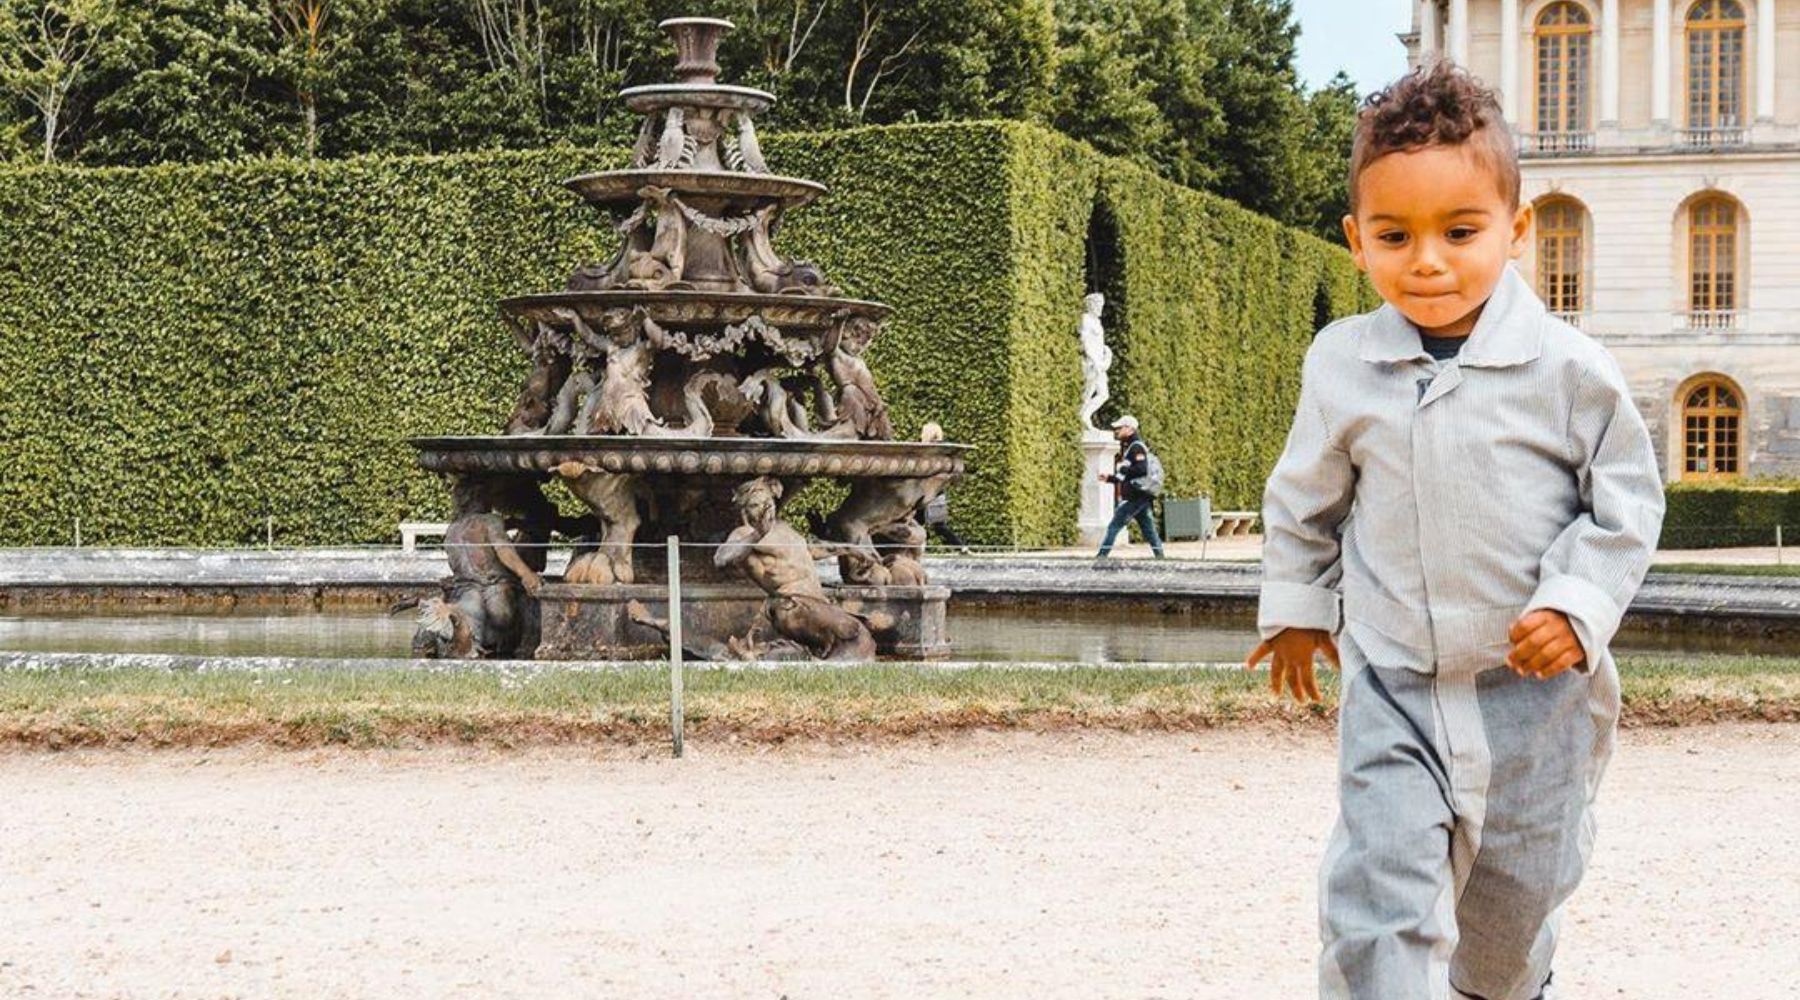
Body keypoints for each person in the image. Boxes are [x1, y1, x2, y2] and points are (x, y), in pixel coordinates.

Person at [1246, 64, 1664, 1000]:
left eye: (1461, 232)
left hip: (1536, 700)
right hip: (1394, 684)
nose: (1427, 261)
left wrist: (1576, 603)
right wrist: (1300, 609)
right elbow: (1305, 500)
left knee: (1512, 916)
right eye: (1395, 235)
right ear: (1356, 240)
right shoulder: (1341, 364)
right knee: (1378, 891)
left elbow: (1627, 504)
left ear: (1517, 230)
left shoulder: (1570, 369)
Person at [1094, 414, 1165, 559]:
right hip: (1140, 496)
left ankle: (1101, 556)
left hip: (1136, 496)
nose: (1117, 431)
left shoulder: (1136, 447)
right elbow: (1125, 475)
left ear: (1130, 429)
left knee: (1114, 525)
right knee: (1149, 529)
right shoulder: (1130, 447)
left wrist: (1125, 469)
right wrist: (1110, 478)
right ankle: (1160, 556)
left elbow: (1141, 469)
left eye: (1120, 428)